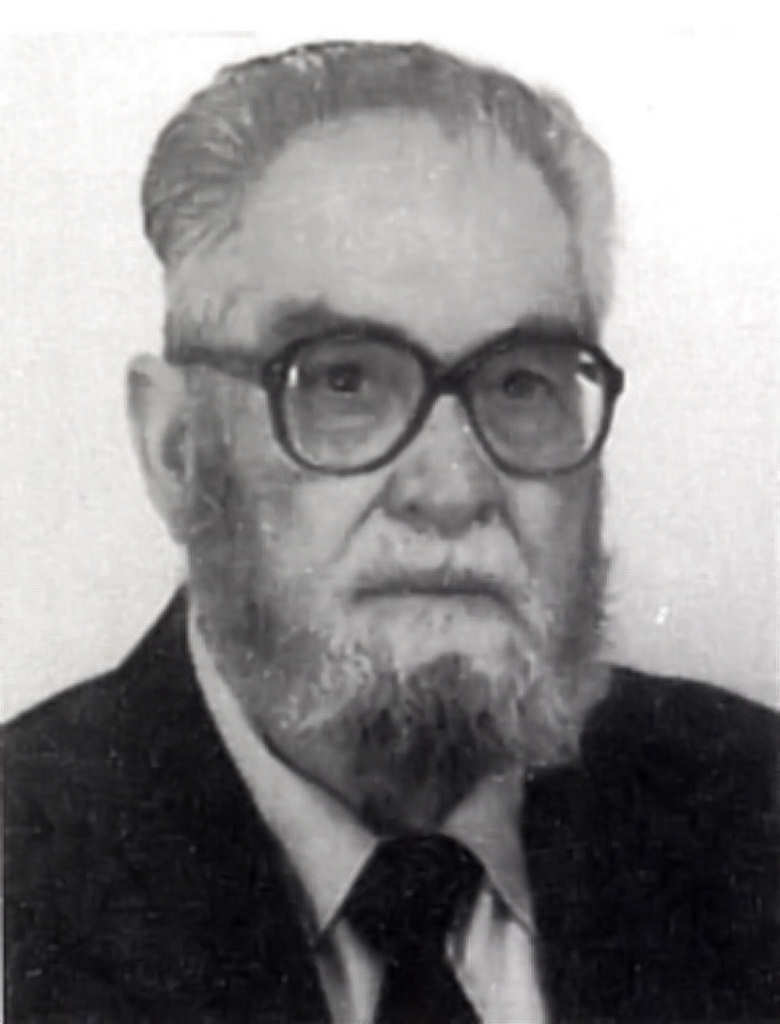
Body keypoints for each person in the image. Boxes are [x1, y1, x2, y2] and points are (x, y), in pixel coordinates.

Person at [4, 40, 778, 1023]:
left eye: (521, 383)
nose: (451, 489)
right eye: (343, 381)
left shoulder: (755, 814)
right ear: (177, 449)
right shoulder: (23, 873)